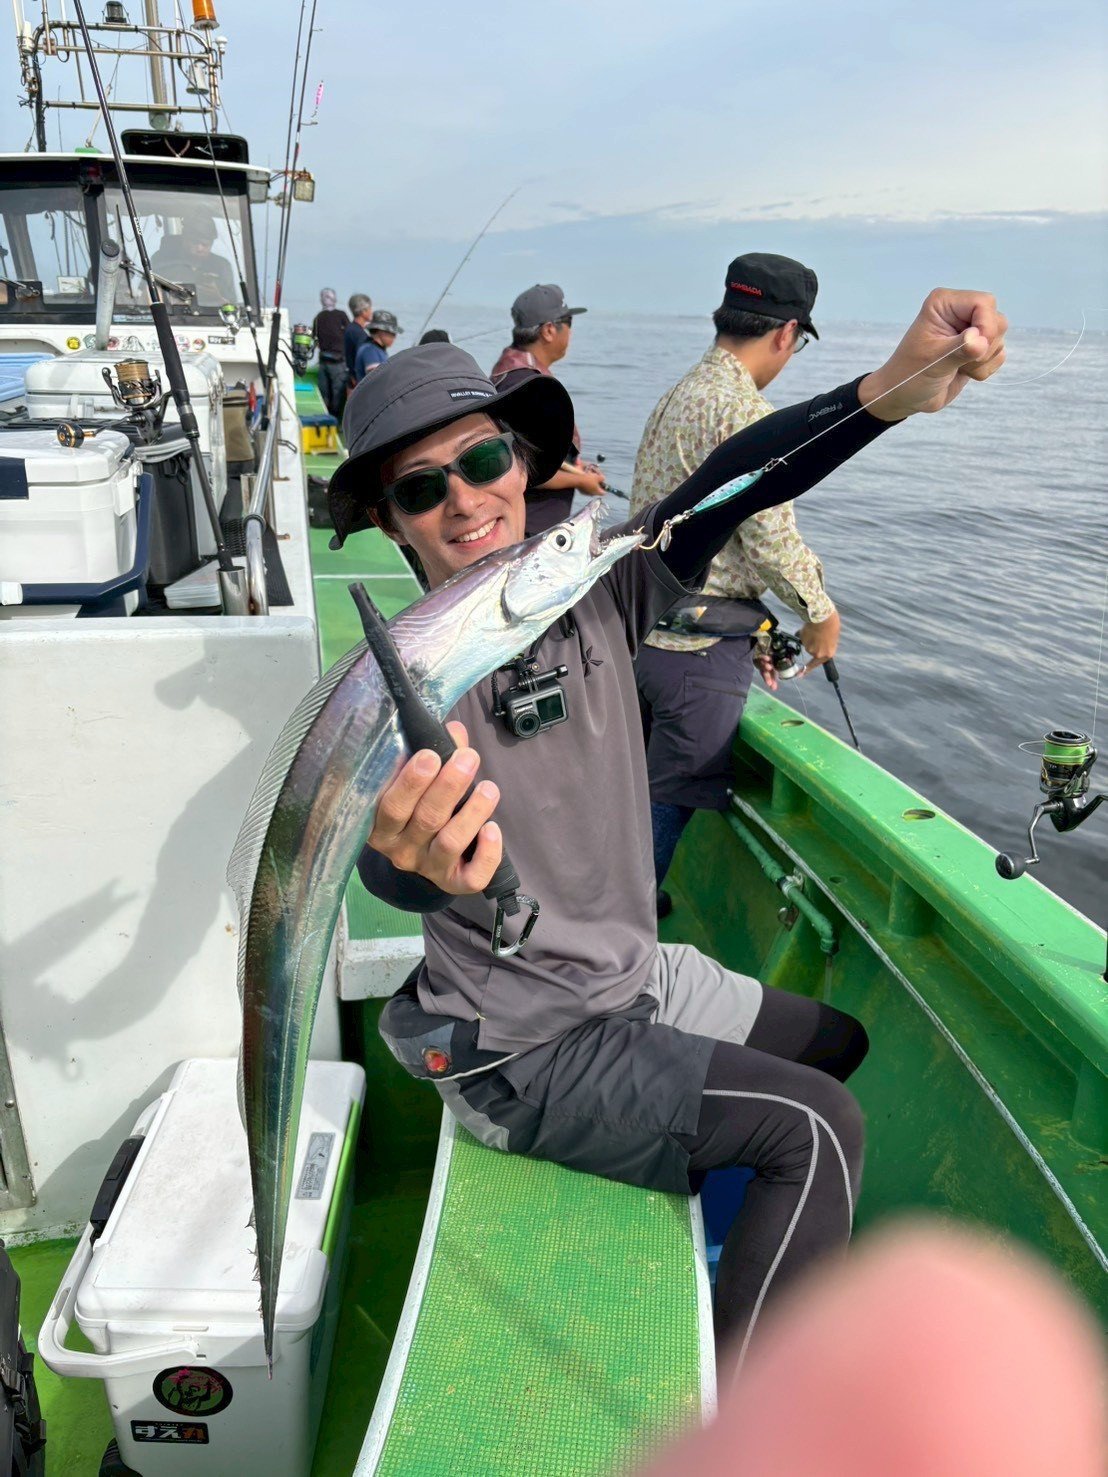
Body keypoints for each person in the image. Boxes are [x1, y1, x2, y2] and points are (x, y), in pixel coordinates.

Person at [328, 289, 1006, 1355]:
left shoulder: (598, 588)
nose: (464, 501)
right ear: (388, 518)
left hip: (634, 977)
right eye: (421, 486)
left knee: (837, 1045)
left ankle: (738, 1256)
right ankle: (754, 1418)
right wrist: (411, 865)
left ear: (522, 463)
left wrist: (888, 390)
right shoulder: (392, 693)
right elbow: (397, 866)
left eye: (484, 460)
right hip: (523, 1052)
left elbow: (738, 481)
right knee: (816, 1129)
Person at [630, 253, 839, 915]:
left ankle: (602, 910)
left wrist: (755, 628)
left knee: (629, 787)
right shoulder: (747, 413)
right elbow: (771, 542)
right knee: (671, 793)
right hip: (696, 661)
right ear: (787, 333)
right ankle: (620, 926)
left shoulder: (679, 394)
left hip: (643, 634)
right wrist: (820, 614)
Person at [490, 283, 606, 533]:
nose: (571, 333)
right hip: (529, 530)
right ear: (549, 330)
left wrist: (576, 467)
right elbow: (522, 468)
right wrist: (580, 481)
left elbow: (534, 450)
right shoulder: (528, 386)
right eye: (569, 323)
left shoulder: (512, 374)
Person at [149, 216, 236, 305]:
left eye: (205, 244)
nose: (200, 248)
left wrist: (217, 298)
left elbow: (234, 307)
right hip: (166, 313)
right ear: (184, 238)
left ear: (212, 243)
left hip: (213, 314)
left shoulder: (222, 266)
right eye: (195, 242)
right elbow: (146, 296)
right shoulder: (161, 261)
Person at [312, 288, 350, 419]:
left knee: (325, 394)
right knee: (337, 394)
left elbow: (315, 339)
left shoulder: (318, 317)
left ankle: (327, 419)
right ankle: (335, 420)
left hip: (325, 360)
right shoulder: (341, 315)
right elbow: (349, 334)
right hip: (337, 362)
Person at [355, 309, 403, 380]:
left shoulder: (376, 349)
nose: (394, 337)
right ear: (381, 332)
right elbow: (377, 380)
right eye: (392, 333)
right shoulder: (370, 351)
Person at [343, 293, 374, 386]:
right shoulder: (359, 334)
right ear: (363, 311)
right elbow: (362, 359)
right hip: (357, 381)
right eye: (370, 308)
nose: (371, 311)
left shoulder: (350, 328)